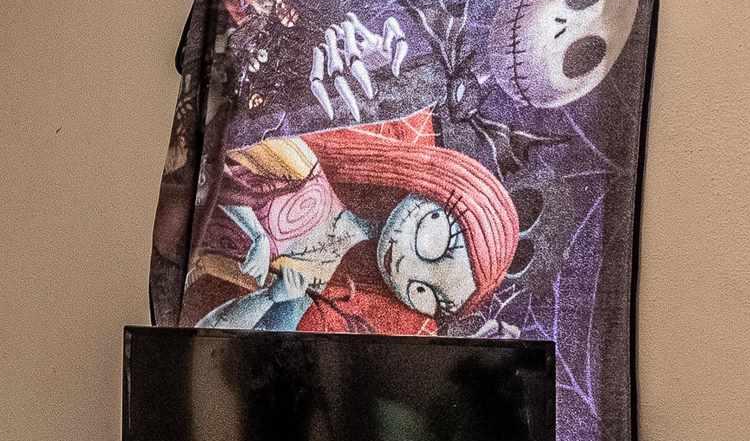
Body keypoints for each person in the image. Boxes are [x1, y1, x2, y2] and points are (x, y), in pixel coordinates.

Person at [187, 108, 526, 335]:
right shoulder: (311, 171)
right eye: (435, 245)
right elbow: (217, 161)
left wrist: (270, 298)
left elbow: (209, 333)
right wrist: (256, 234)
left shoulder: (319, 280)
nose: (409, 267)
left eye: (424, 292)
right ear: (442, 187)